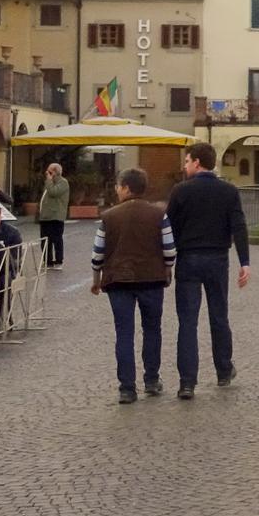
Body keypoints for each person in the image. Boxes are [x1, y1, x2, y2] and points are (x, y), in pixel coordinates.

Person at [164, 142, 250, 398]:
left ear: (197, 163)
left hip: (188, 259)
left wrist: (167, 261)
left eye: (187, 161)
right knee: (219, 315)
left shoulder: (180, 191)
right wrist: (244, 261)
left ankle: (187, 382)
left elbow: (169, 229)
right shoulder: (228, 191)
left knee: (187, 321)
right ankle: (223, 370)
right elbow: (239, 226)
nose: (185, 165)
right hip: (217, 259)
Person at [92, 168, 176, 403]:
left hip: (118, 279)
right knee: (152, 329)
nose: (117, 190)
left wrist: (95, 278)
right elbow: (169, 249)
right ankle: (151, 379)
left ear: (127, 188)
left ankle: (127, 387)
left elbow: (98, 253)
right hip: (151, 278)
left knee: (124, 333)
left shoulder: (109, 216)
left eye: (118, 186)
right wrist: (167, 268)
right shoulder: (159, 215)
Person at [36, 162, 70, 267]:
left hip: (56, 216)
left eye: (50, 171)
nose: (47, 173)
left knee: (56, 239)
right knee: (45, 240)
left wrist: (49, 181)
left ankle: (59, 259)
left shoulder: (63, 182)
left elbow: (53, 192)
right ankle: (48, 260)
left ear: (56, 172)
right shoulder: (49, 182)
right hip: (46, 216)